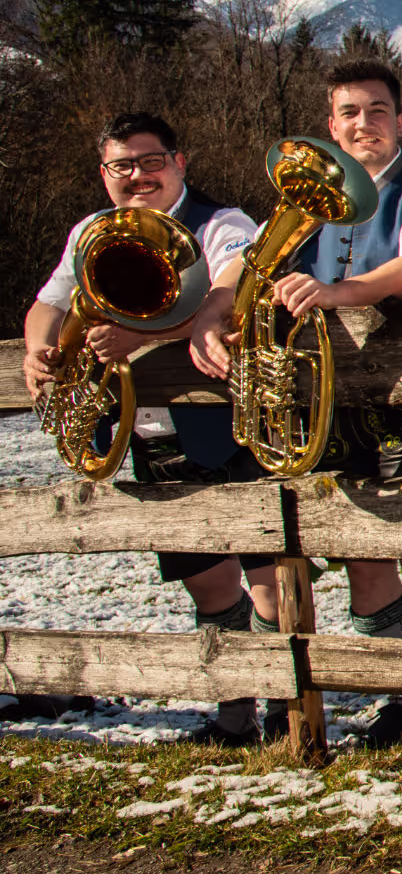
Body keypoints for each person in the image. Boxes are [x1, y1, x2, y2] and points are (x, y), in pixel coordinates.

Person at [190, 57, 402, 770]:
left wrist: (340, 292)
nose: (363, 124)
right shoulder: (304, 198)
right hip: (325, 400)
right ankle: (393, 699)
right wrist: (214, 317)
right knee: (362, 554)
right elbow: (251, 270)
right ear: (330, 124)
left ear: (400, 120)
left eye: (377, 111)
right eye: (349, 112)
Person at [20, 112, 267, 746]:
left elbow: (233, 293)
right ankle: (237, 709)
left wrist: (143, 336)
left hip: (227, 420)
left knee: (268, 570)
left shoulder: (222, 222)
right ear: (104, 174)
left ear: (179, 163)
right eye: (121, 166)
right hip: (154, 429)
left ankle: (294, 708)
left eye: (150, 161)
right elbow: (49, 302)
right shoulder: (91, 232)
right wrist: (38, 350)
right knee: (204, 576)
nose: (137, 176)